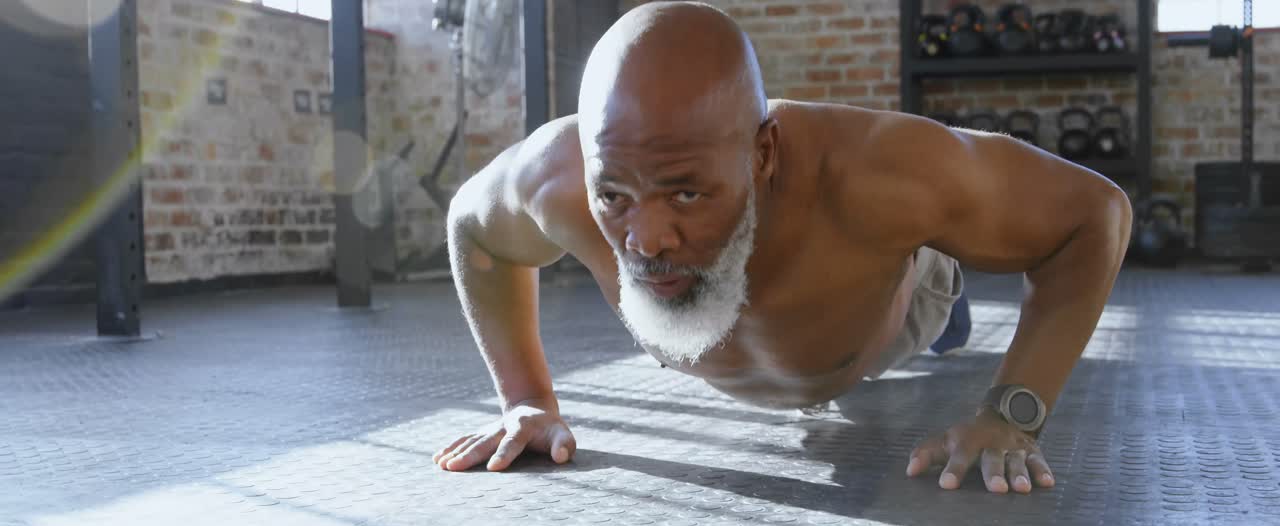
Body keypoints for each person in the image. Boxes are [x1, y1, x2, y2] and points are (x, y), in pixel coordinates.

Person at [432, 1, 1132, 495]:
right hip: (779, 332)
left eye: (685, 194)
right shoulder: (556, 179)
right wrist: (525, 399)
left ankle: (941, 303)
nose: (644, 241)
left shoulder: (882, 174)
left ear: (764, 153)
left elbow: (1094, 214)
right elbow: (474, 228)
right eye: (614, 195)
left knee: (940, 310)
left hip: (905, 308)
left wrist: (1015, 413)